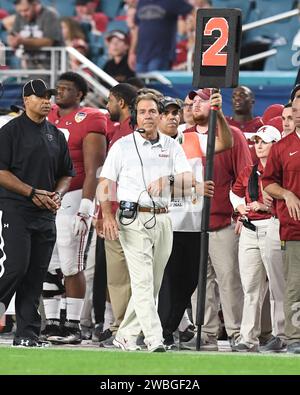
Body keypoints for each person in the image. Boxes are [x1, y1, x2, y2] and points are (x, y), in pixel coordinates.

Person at [98, 92, 192, 352]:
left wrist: (167, 182)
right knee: (143, 281)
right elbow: (106, 182)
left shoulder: (172, 146)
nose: (148, 116)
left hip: (163, 218)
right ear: (135, 116)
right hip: (132, 219)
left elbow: (189, 181)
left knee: (153, 282)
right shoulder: (123, 146)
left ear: (160, 116)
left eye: (152, 111)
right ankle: (154, 337)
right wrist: (107, 215)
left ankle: (126, 334)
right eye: (142, 112)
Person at [0, 78, 74, 347]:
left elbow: (67, 173)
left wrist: (57, 194)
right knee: (16, 268)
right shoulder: (10, 132)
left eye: (49, 96)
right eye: (41, 96)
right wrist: (31, 192)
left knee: (35, 275)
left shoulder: (55, 134)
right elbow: (1, 172)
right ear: (25, 100)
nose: (47, 101)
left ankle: (27, 335)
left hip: (46, 213)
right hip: (16, 210)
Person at [157, 94, 233, 350]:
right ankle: (159, 332)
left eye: (175, 112)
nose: (171, 117)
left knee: (189, 280)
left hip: (192, 223)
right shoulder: (148, 145)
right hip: (164, 222)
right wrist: (193, 188)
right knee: (166, 283)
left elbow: (225, 141)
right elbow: (154, 186)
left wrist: (217, 112)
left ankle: (167, 329)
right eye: (166, 113)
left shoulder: (188, 138)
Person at [42, 72, 107, 345]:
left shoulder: (90, 118)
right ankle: (53, 322)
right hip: (47, 198)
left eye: (67, 89)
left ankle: (73, 324)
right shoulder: (47, 117)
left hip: (75, 195)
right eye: (58, 88)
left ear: (80, 94)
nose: (60, 93)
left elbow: (94, 169)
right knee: (49, 263)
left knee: (71, 263)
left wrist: (86, 206)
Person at [184, 88, 252, 350]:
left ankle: (236, 333)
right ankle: (206, 333)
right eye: (193, 101)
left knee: (230, 280)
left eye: (201, 99)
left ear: (213, 103)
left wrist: (239, 211)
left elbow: (244, 175)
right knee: (198, 284)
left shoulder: (232, 135)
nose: (195, 104)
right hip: (192, 222)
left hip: (224, 220)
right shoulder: (185, 137)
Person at [230, 125, 281, 352]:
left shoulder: (282, 171)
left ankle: (281, 335)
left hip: (273, 226)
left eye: (264, 141)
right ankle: (247, 338)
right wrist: (239, 208)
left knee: (278, 287)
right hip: (250, 228)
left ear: (275, 145)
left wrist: (263, 205)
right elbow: (234, 192)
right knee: (250, 287)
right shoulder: (249, 170)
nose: (258, 145)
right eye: (257, 141)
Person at [94, 83, 138, 346]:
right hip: (116, 209)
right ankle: (118, 325)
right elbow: (108, 177)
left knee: (136, 274)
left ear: (121, 102)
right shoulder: (118, 131)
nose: (107, 106)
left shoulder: (132, 132)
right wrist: (103, 210)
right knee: (117, 274)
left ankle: (131, 325)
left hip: (134, 211)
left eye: (110, 100)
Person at [262, 93, 300, 354]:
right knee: (295, 285)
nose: (297, 113)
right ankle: (295, 337)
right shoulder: (281, 147)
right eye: (295, 109)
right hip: (294, 227)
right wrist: (286, 193)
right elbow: (268, 182)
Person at [128, 0, 193, 72]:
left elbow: (193, 12)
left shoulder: (172, 1)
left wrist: (192, 36)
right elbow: (137, 29)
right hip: (141, 56)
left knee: (156, 82)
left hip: (162, 54)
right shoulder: (142, 2)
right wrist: (132, 52)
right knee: (139, 82)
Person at [7, 0, 63, 70]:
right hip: (29, 67)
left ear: (35, 4)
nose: (23, 14)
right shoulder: (19, 16)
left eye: (26, 10)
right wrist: (12, 41)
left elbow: (49, 41)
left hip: (51, 68)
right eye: (20, 11)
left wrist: (23, 41)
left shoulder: (50, 15)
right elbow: (12, 35)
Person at [226, 86, 263, 163]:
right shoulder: (224, 124)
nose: (237, 98)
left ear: (252, 101)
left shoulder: (262, 125)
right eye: (234, 96)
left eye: (242, 95)